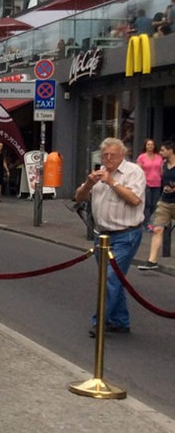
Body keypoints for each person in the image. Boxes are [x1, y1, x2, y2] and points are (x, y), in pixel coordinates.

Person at [74, 137, 145, 336]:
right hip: (102, 236)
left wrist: (112, 182)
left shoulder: (133, 172)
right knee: (114, 279)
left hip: (126, 234)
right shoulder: (99, 172)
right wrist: (88, 183)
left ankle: (100, 322)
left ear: (122, 155)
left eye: (112, 155)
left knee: (111, 279)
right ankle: (120, 321)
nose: (107, 159)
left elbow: (134, 200)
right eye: (104, 155)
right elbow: (78, 197)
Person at [138, 141, 175, 271]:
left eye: (163, 150)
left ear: (171, 150)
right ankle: (152, 260)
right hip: (165, 201)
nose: (160, 152)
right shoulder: (164, 165)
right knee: (157, 229)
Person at [136, 139, 163, 229]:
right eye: (148, 144)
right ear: (145, 146)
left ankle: (148, 221)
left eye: (152, 144)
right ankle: (146, 223)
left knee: (155, 204)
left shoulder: (159, 157)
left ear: (154, 146)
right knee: (147, 204)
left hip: (157, 183)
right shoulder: (141, 157)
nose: (150, 146)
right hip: (146, 183)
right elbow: (138, 170)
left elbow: (162, 170)